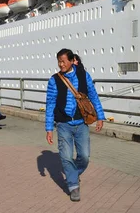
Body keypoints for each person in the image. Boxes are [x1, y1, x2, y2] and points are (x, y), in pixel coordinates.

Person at [46, 48, 105, 202]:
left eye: (63, 61)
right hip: (63, 124)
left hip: (82, 123)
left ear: (72, 61)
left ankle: (73, 173)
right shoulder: (54, 80)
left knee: (84, 156)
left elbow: (93, 96)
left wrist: (100, 116)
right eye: (59, 61)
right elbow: (50, 104)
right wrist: (49, 128)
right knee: (65, 156)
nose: (61, 64)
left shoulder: (84, 76)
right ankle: (73, 186)